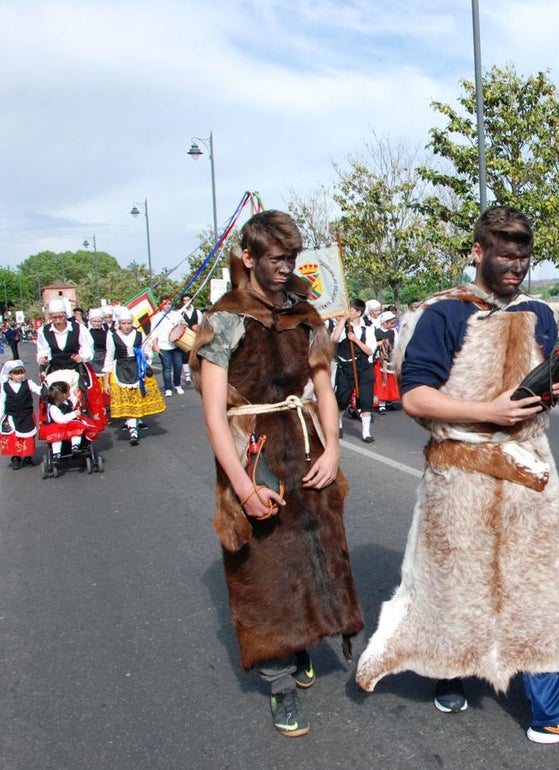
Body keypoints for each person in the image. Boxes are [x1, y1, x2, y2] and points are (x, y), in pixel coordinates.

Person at [356, 206, 559, 750]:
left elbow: (538, 382)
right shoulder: (442, 314)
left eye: (523, 257)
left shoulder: (539, 313)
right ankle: (449, 669)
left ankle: (551, 712)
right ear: (477, 252)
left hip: (529, 467)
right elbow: (414, 397)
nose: (515, 267)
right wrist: (487, 411)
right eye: (505, 255)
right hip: (461, 471)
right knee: (457, 585)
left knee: (543, 587)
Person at [192, 210, 363, 737]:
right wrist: (242, 488)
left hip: (306, 445)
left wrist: (333, 448)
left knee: (312, 554)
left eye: (292, 258)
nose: (287, 267)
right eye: (276, 259)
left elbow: (324, 388)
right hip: (252, 450)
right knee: (263, 570)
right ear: (248, 258)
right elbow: (216, 415)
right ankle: (280, 682)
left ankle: (301, 637)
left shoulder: (306, 313)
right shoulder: (223, 320)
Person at [104, 309, 165, 446]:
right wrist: (106, 381)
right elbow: (109, 356)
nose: (126, 326)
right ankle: (133, 430)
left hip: (137, 368)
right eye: (123, 323)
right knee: (128, 399)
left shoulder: (139, 335)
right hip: (121, 369)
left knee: (137, 398)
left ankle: (134, 427)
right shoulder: (112, 336)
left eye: (129, 323)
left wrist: (144, 355)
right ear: (119, 323)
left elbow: (147, 351)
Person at [330, 298, 376, 442]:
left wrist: (356, 340)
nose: (347, 312)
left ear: (358, 312)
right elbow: (335, 339)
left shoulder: (368, 328)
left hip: (364, 367)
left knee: (366, 400)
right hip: (346, 368)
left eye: (350, 310)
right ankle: (339, 424)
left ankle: (366, 433)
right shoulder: (342, 327)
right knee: (342, 399)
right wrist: (343, 321)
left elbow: (369, 351)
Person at [36, 298, 94, 377]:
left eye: (61, 317)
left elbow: (88, 347)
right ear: (50, 317)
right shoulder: (43, 331)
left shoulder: (79, 328)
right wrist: (43, 359)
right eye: (54, 318)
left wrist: (82, 357)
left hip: (76, 369)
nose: (58, 320)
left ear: (66, 315)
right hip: (55, 370)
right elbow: (43, 350)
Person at [1, 360, 38, 468]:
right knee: (13, 437)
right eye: (17, 373)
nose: (20, 375)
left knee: (28, 436)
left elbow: (38, 390)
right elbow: (2, 400)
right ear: (10, 375)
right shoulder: (5, 386)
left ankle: (27, 456)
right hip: (11, 415)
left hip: (26, 414)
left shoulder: (28, 383)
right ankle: (16, 457)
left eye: (22, 372)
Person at [150, 295, 184, 397]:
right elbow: (154, 333)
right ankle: (168, 388)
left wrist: (183, 323)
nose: (167, 306)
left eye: (169, 304)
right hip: (164, 346)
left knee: (178, 366)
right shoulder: (157, 317)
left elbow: (184, 325)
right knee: (167, 368)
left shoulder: (176, 314)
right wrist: (155, 345)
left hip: (176, 345)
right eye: (165, 304)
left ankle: (177, 384)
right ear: (161, 305)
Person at [178, 293, 202, 386]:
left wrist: (197, 327)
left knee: (196, 356)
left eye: (188, 300)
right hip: (184, 338)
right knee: (185, 357)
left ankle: (198, 374)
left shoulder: (197, 312)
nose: (186, 302)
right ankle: (187, 376)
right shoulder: (181, 313)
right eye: (184, 300)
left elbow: (200, 324)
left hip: (195, 337)